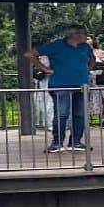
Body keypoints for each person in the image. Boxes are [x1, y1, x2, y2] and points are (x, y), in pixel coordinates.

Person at [27, 25, 98, 153]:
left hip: (82, 85)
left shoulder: (85, 47)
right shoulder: (56, 45)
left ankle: (75, 142)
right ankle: (56, 143)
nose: (86, 36)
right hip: (60, 85)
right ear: (74, 34)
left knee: (80, 114)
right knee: (62, 114)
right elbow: (30, 54)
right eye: (84, 33)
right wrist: (44, 69)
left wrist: (88, 69)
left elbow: (92, 58)